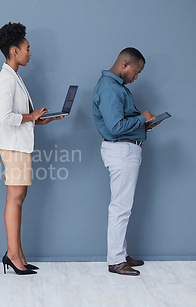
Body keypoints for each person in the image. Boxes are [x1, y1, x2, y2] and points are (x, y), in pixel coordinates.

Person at [0, 22, 63, 275]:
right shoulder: (5, 79)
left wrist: (39, 119)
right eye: (27, 48)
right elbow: (6, 118)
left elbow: (20, 116)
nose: (29, 53)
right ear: (14, 51)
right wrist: (31, 116)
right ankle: (13, 254)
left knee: (19, 198)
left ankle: (17, 253)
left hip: (19, 145)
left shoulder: (13, 76)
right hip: (13, 147)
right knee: (15, 198)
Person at [93, 47, 162, 276]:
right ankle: (115, 260)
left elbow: (122, 122)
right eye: (136, 71)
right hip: (121, 151)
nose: (136, 76)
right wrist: (142, 118)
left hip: (125, 150)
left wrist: (143, 123)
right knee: (120, 207)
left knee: (123, 206)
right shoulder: (110, 88)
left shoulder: (116, 87)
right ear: (125, 64)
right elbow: (115, 127)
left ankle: (120, 254)